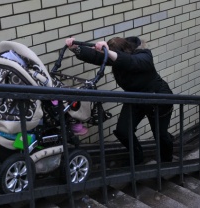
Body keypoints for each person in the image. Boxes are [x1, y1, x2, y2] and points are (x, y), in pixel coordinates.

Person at [65, 36, 174, 164]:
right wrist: (76, 48)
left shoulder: (144, 55)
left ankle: (167, 162)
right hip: (135, 98)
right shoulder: (118, 57)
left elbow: (131, 62)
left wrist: (109, 52)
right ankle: (137, 157)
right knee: (123, 131)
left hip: (157, 98)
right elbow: (96, 56)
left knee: (160, 135)